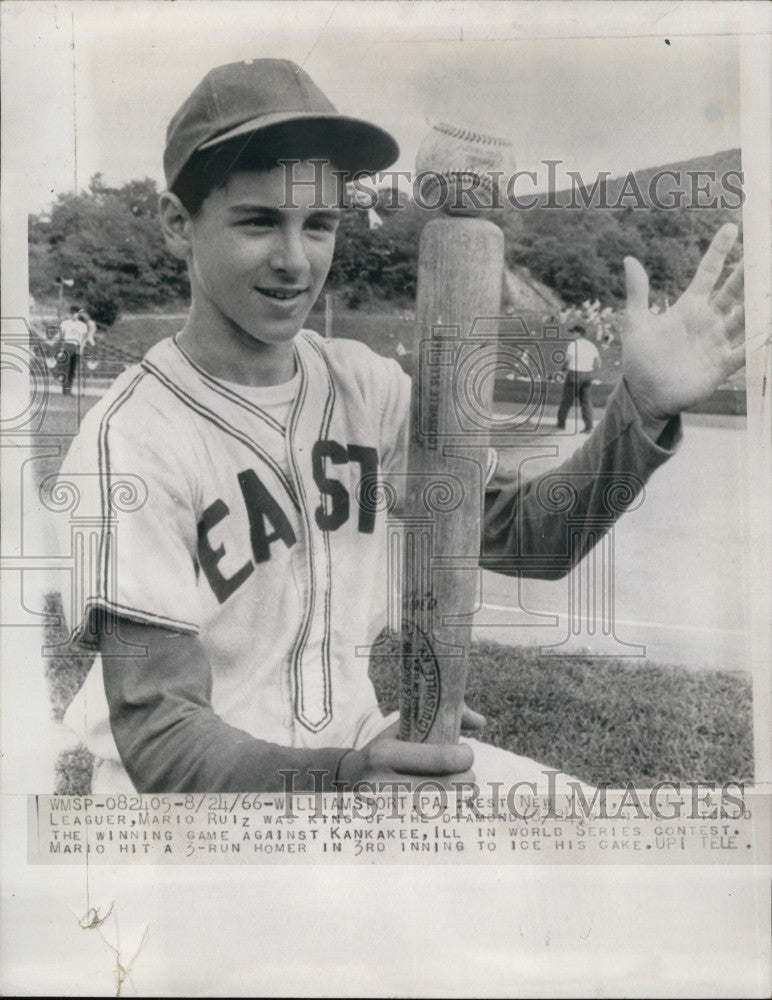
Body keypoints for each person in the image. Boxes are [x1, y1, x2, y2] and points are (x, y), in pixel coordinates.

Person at [52, 59, 746, 795]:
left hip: (354, 756)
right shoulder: (127, 441)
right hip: (193, 810)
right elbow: (161, 736)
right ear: (175, 224)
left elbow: (533, 539)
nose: (294, 260)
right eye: (259, 222)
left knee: (581, 826)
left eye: (318, 224)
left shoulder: (367, 389)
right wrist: (347, 777)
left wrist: (642, 409)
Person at [556, 323, 601, 433]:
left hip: (575, 374)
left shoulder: (573, 344)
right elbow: (598, 361)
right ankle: (589, 426)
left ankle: (561, 424)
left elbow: (568, 358)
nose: (572, 334)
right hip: (588, 374)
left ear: (578, 333)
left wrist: (563, 368)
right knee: (586, 401)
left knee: (567, 400)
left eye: (574, 332)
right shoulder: (591, 345)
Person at [58, 305, 96, 394]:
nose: (74, 315)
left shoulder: (82, 325)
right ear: (70, 314)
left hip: (76, 347)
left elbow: (83, 338)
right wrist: (61, 348)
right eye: (72, 314)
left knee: (72, 370)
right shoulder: (65, 323)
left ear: (78, 314)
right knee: (65, 369)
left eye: (75, 314)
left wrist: (81, 348)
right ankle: (65, 390)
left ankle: (69, 389)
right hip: (67, 346)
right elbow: (61, 337)